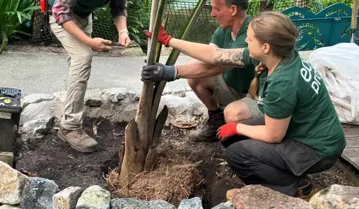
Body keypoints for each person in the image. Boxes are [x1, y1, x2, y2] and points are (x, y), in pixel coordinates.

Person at [142, 11, 347, 197]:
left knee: (237, 154)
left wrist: (236, 126)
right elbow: (216, 55)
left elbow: (274, 135)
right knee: (233, 136)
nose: (246, 42)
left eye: (249, 39)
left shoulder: (283, 81)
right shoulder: (281, 55)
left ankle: (291, 186)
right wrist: (169, 45)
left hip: (318, 149)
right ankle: (284, 172)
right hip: (302, 131)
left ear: (265, 46)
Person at [45, 0, 148, 153]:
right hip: (61, 14)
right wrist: (90, 42)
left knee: (78, 65)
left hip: (84, 14)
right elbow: (61, 12)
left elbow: (118, 8)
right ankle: (70, 128)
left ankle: (70, 112)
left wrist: (123, 31)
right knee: (83, 57)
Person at [143, 0, 256, 142]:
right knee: (195, 75)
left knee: (233, 118)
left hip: (252, 96)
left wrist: (170, 61)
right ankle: (216, 120)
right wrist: (170, 70)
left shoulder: (252, 33)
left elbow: (217, 62)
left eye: (216, 9)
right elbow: (207, 59)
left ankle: (247, 132)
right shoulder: (223, 30)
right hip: (231, 87)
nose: (212, 14)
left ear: (233, 10)